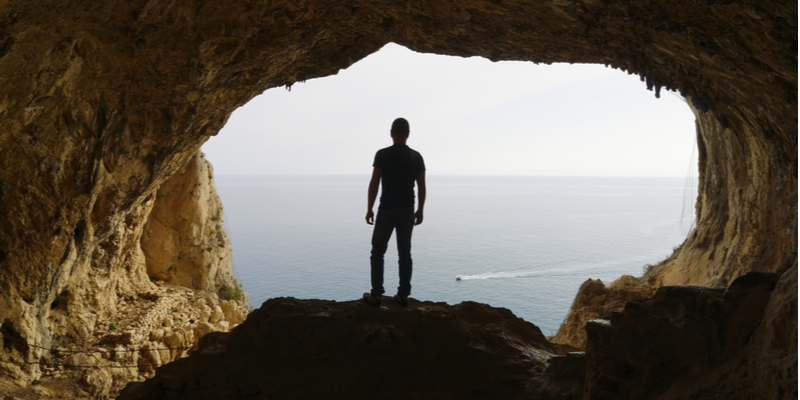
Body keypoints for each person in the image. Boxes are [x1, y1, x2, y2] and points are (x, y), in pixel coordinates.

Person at [363, 117, 426, 307]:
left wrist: (369, 208)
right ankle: (403, 295)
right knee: (405, 253)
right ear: (408, 134)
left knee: (377, 252)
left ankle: (376, 295)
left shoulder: (382, 154)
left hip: (387, 209)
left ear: (391, 133)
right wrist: (420, 210)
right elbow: (422, 186)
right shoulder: (416, 156)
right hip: (407, 209)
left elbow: (374, 183)